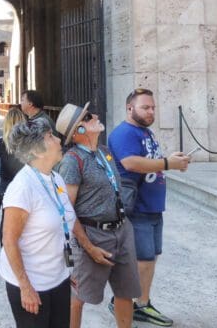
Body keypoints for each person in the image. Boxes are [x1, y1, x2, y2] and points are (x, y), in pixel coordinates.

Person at [107, 88, 191, 327]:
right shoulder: (125, 133)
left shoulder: (145, 132)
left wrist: (171, 159)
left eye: (153, 107)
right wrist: (167, 163)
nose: (151, 111)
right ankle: (133, 303)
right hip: (138, 207)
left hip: (152, 205)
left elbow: (149, 159)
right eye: (146, 107)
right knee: (143, 258)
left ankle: (139, 301)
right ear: (130, 108)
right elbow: (130, 163)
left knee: (150, 257)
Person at [55, 103, 140, 328]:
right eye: (89, 117)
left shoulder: (104, 152)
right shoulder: (72, 161)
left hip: (122, 231)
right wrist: (88, 247)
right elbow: (66, 210)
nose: (97, 116)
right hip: (93, 236)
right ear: (79, 131)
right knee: (78, 297)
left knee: (125, 292)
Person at [0, 119, 76, 328]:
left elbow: (65, 223)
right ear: (37, 151)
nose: (59, 140)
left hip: (58, 277)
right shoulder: (22, 187)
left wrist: (69, 267)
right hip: (31, 283)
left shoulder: (55, 178)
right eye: (50, 136)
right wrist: (25, 286)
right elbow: (9, 240)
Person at [0, 107, 27, 246]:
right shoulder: (29, 144)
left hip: (6, 188)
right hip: (24, 186)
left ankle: (5, 252)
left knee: (6, 221)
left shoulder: (1, 142)